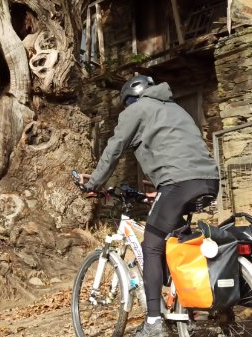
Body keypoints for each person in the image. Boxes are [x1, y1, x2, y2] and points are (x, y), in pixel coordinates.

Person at [79, 74, 221, 337]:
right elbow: (177, 150)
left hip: (178, 184)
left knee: (152, 245)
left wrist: (94, 184)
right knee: (180, 242)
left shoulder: (138, 109)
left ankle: (154, 322)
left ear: (130, 99)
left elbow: (114, 149)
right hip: (208, 180)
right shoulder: (175, 108)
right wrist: (162, 187)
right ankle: (195, 309)